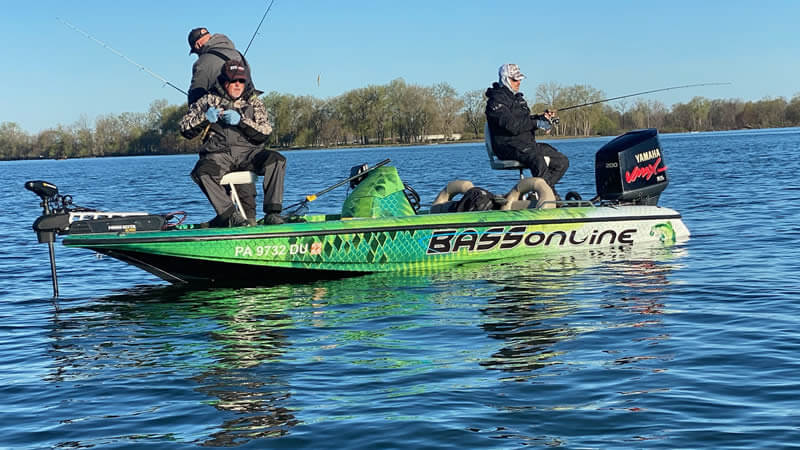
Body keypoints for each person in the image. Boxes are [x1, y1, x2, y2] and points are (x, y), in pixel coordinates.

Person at [180, 60, 286, 227]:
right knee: (202, 173)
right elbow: (184, 129)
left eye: (241, 81)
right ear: (224, 81)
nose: (238, 85)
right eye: (233, 81)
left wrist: (242, 121)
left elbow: (265, 132)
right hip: (218, 155)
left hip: (249, 155)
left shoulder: (254, 102)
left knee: (277, 160)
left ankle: (272, 213)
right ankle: (230, 216)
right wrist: (204, 118)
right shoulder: (207, 101)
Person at [485, 63, 569, 197]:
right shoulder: (495, 102)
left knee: (562, 161)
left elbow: (525, 121)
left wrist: (542, 117)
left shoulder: (518, 100)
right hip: (507, 146)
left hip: (526, 144)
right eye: (514, 80)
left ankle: (540, 193)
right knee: (537, 159)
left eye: (520, 79)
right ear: (505, 79)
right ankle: (549, 197)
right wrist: (537, 123)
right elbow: (512, 125)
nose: (518, 82)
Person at [187, 27, 252, 105]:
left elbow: (195, 95)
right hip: (247, 111)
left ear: (198, 45)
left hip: (220, 113)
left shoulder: (202, 62)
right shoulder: (240, 55)